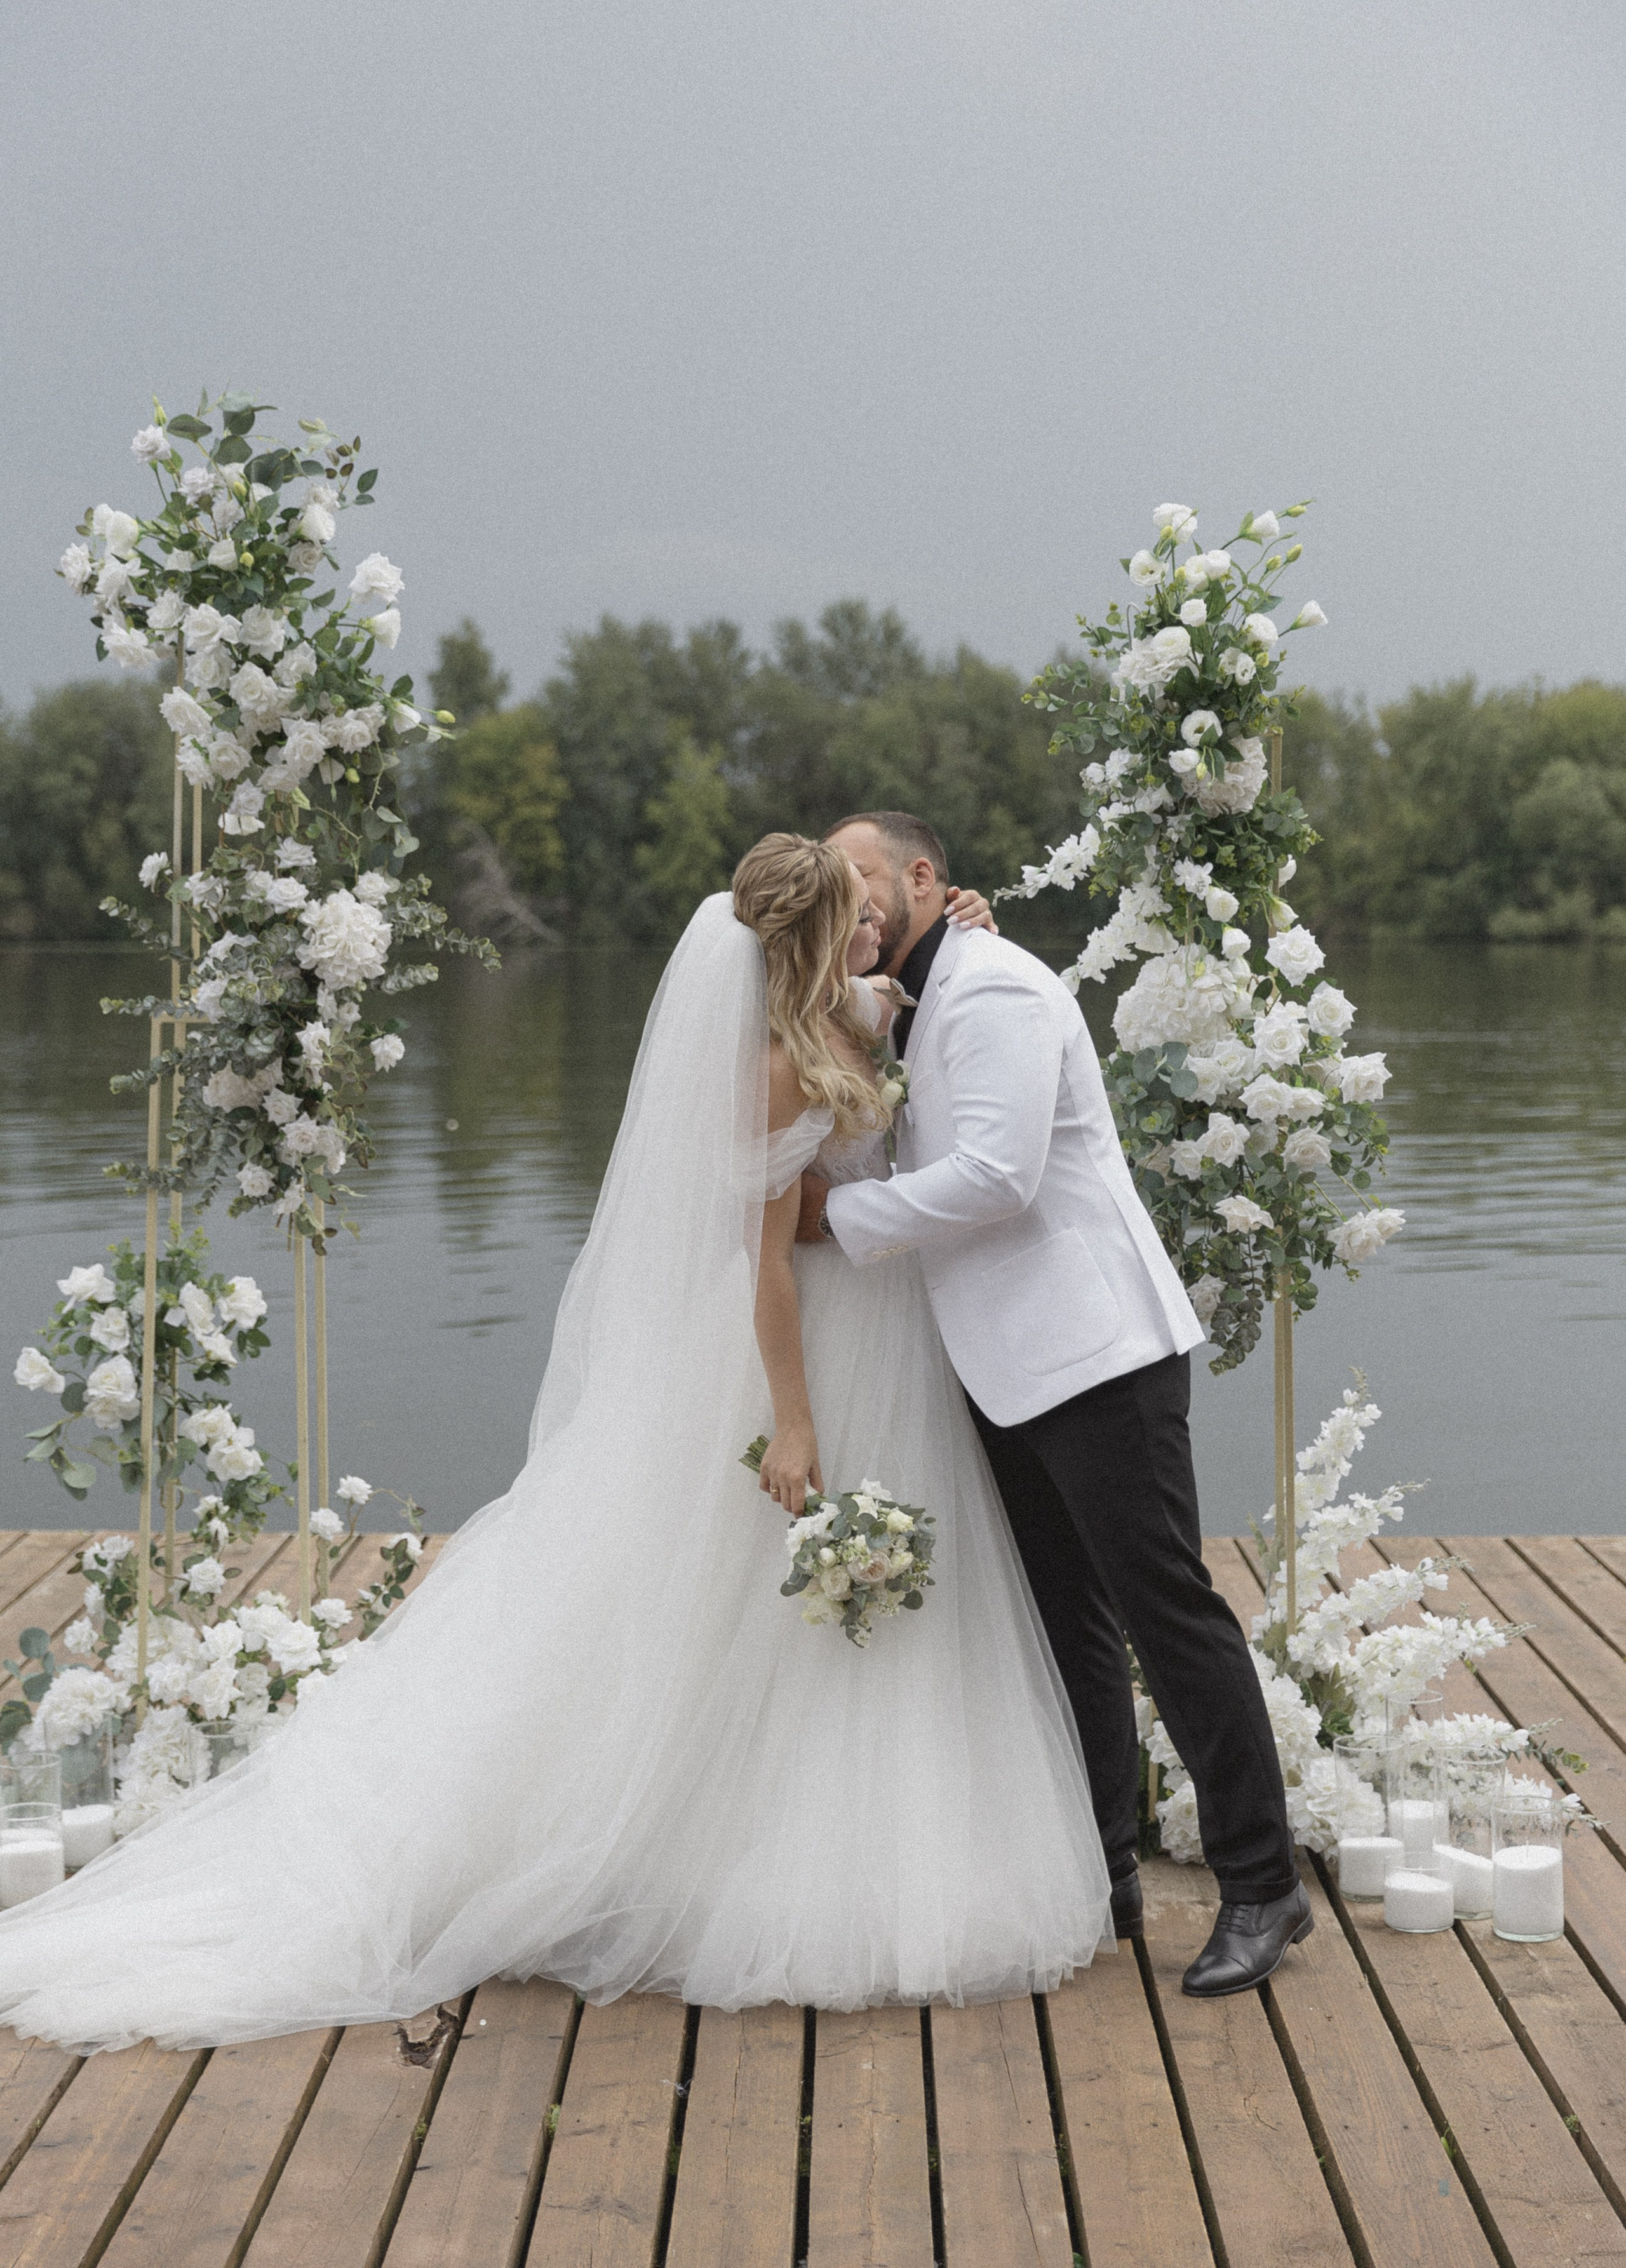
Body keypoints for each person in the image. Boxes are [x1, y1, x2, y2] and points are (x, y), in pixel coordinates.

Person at [0, 837, 1111, 2054]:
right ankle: (738, 1859)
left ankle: (892, 1837)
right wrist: (792, 1419)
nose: (877, 932)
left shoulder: (860, 1011)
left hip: (893, 1340)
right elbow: (765, 1267)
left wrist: (960, 932)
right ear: (804, 946)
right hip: (812, 1345)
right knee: (756, 1600)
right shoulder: (780, 1069)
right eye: (855, 920)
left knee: (875, 1618)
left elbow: (920, 992)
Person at [797, 811, 1310, 1998]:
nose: (850, 902)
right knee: (1067, 1622)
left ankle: (1263, 1885)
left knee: (1167, 1613)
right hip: (1005, 1363)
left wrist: (839, 1223)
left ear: (927, 880)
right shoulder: (911, 999)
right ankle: (1103, 1871)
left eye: (864, 880)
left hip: (1097, 1356)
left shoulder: (995, 993)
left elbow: (1002, 1174)